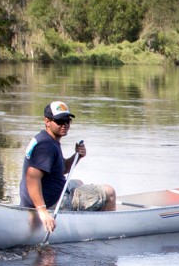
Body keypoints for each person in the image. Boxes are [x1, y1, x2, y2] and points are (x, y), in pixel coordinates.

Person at [20, 100, 115, 233]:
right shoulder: (46, 146)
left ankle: (86, 220)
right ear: (47, 121)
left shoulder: (45, 139)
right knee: (109, 192)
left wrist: (77, 156)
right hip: (52, 202)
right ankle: (107, 232)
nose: (64, 125)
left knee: (78, 183)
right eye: (59, 121)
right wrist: (42, 211)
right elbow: (31, 177)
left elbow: (61, 169)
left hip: (47, 196)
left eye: (67, 120)